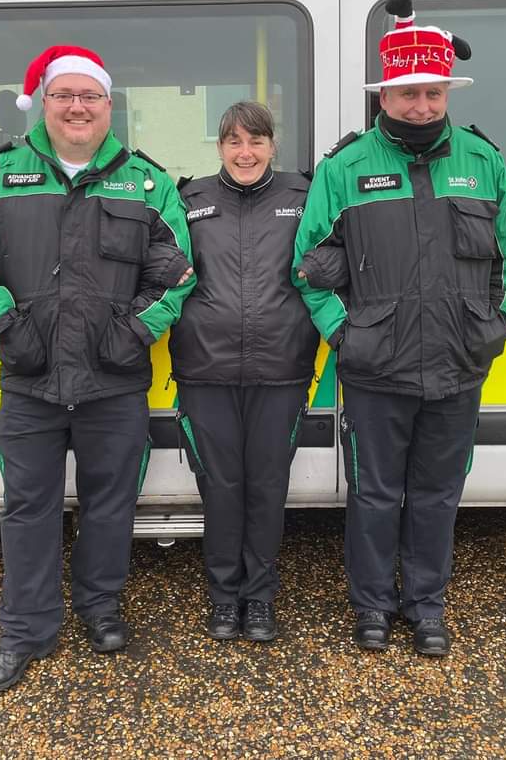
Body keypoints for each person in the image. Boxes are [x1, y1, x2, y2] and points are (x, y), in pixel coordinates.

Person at [0, 45, 194, 693]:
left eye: (90, 96)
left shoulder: (145, 182)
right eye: (64, 95)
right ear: (43, 104)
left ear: (109, 106)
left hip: (115, 381)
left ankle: (100, 608)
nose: (77, 106)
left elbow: (178, 271)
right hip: (32, 378)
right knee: (29, 508)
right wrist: (4, 324)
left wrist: (136, 330)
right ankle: (25, 631)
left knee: (111, 505)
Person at [293, 0, 506, 656]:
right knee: (374, 497)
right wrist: (347, 335)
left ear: (446, 92)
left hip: (458, 367)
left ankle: (426, 605)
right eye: (407, 95)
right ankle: (371, 606)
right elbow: (308, 268)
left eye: (432, 94)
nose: (421, 106)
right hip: (376, 371)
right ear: (384, 99)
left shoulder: (482, 162)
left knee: (435, 497)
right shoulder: (346, 169)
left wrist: (500, 322)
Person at [171, 101, 320, 642]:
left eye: (256, 141)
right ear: (219, 148)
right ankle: (223, 596)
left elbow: (327, 265)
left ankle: (259, 597)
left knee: (266, 487)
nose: (246, 152)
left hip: (281, 369)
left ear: (273, 145)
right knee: (221, 487)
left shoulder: (304, 199)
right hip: (204, 370)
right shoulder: (190, 201)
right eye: (234, 141)